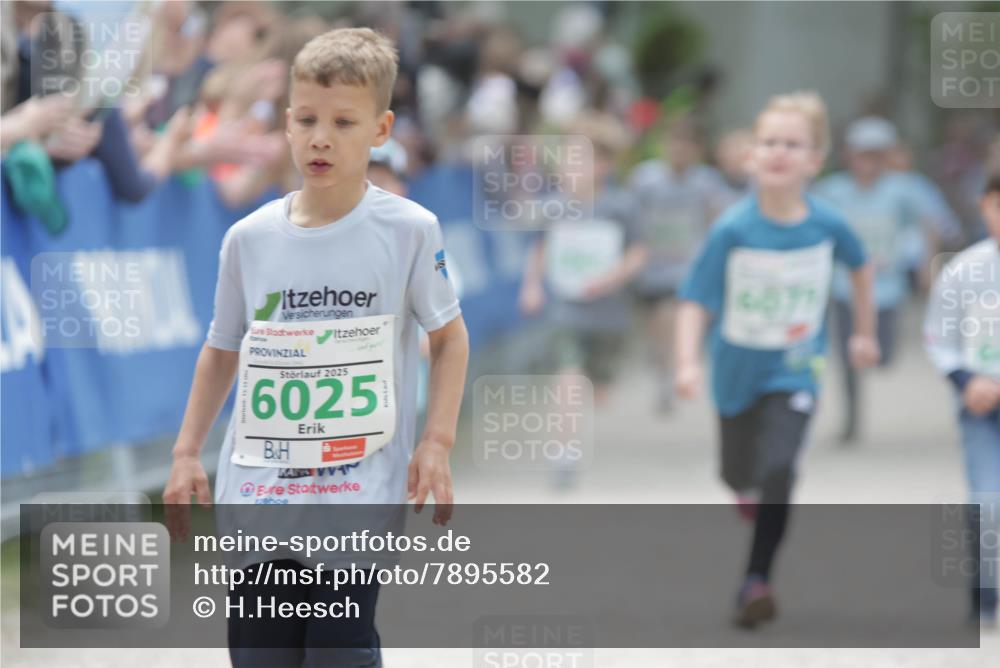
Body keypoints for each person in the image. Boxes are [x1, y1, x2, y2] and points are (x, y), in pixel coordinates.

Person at [162, 27, 469, 666]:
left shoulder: (409, 230)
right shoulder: (248, 239)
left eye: (343, 122)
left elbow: (448, 339)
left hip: (357, 488)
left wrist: (436, 442)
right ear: (286, 124)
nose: (320, 137)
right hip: (261, 490)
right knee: (262, 657)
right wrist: (188, 450)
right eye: (306, 119)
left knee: (339, 651)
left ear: (381, 130)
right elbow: (221, 350)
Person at [675, 92, 879, 628]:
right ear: (751, 156)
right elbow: (695, 300)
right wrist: (686, 363)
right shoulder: (732, 229)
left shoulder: (829, 224)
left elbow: (861, 267)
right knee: (737, 471)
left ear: (815, 160)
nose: (779, 152)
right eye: (769, 142)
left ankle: (755, 581)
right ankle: (742, 489)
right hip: (734, 374)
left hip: (796, 366)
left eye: (793, 144)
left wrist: (863, 332)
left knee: (782, 468)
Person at [813, 117, 940, 443]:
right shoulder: (833, 191)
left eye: (876, 155)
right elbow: (815, 227)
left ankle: (876, 361)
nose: (869, 163)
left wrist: (926, 265)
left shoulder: (902, 190)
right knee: (848, 356)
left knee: (884, 354)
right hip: (845, 287)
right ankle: (851, 421)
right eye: (862, 155)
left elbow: (929, 223)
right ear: (849, 156)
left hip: (887, 289)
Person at [924, 168, 1000, 630]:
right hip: (981, 408)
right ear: (985, 206)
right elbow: (939, 338)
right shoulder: (965, 271)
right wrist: (965, 380)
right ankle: (985, 594)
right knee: (987, 498)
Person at [629, 116, 729, 412]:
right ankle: (664, 367)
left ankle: (679, 368)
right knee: (658, 326)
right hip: (653, 268)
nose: (680, 151)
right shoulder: (645, 179)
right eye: (675, 143)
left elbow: (716, 218)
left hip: (689, 266)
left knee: (673, 315)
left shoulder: (706, 182)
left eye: (687, 145)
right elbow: (632, 218)